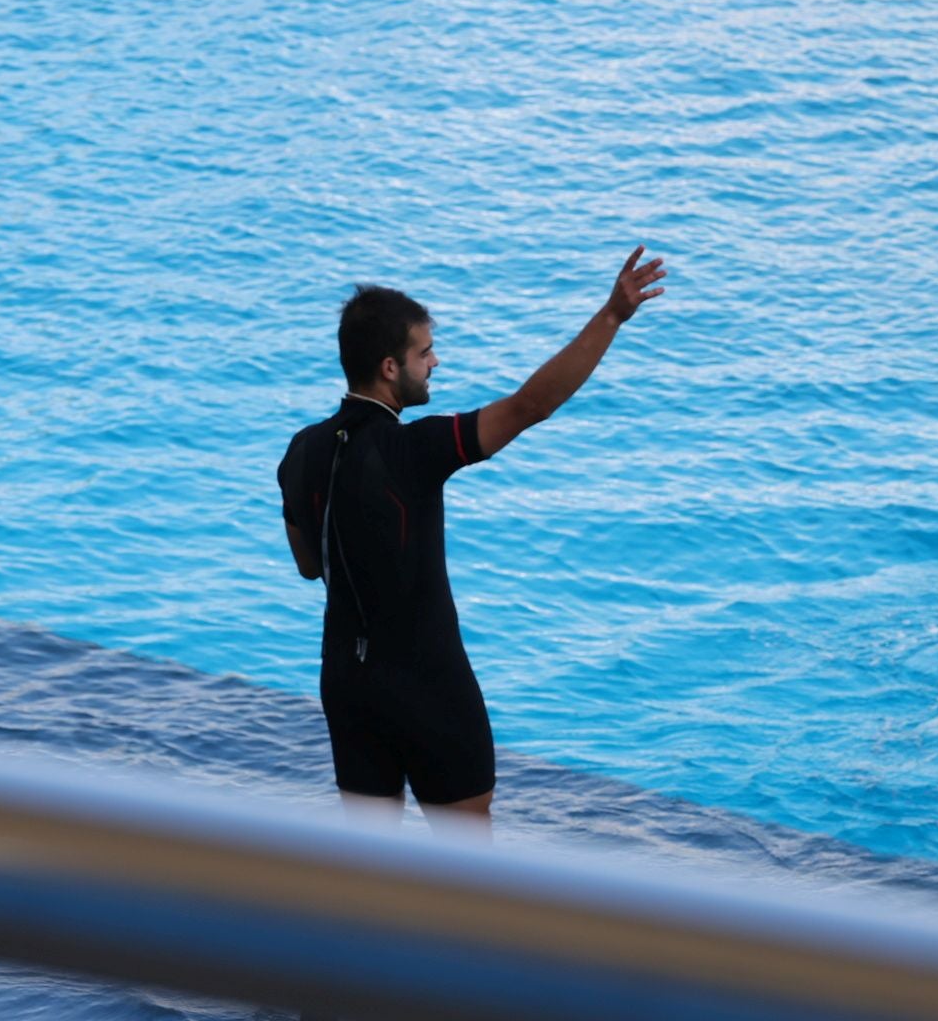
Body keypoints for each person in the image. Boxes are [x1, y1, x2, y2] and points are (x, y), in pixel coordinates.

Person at [278, 245, 667, 833]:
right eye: (424, 351)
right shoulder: (415, 450)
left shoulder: (301, 452)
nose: (434, 362)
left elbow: (310, 565)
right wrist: (610, 316)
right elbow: (531, 405)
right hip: (427, 683)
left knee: (364, 864)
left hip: (346, 682)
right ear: (390, 367)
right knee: (463, 863)